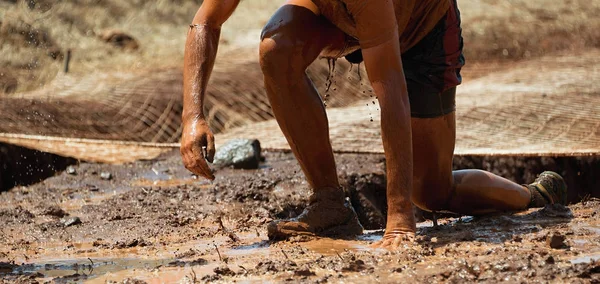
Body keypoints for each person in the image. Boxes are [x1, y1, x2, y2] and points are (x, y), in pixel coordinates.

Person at [180, 0, 568, 249]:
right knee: (276, 49)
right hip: (340, 16)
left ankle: (533, 196)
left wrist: (399, 221)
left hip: (422, 27)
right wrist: (192, 115)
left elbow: (392, 90)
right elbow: (206, 21)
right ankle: (330, 204)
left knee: (431, 193)